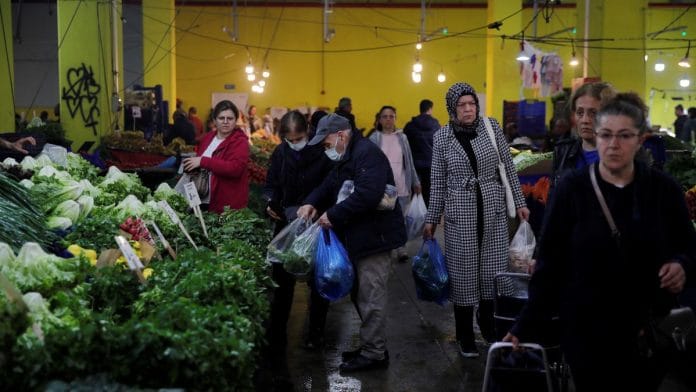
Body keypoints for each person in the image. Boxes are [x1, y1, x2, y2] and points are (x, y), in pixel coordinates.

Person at [504, 93, 696, 391]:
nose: (613, 144)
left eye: (624, 135)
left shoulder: (663, 191)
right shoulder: (572, 189)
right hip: (586, 330)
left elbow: (689, 245)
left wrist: (682, 264)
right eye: (606, 135)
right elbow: (550, 261)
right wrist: (526, 325)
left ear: (641, 139)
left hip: (646, 330)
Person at [422, 82, 529, 358]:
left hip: (492, 211)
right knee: (464, 276)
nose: (468, 109)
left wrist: (520, 203)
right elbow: (437, 181)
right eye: (462, 105)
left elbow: (507, 166)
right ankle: (465, 336)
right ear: (452, 109)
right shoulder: (442, 137)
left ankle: (490, 328)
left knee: (491, 275)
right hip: (460, 214)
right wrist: (431, 217)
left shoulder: (491, 127)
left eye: (471, 104)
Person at [297, 113, 406, 372]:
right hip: (361, 237)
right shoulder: (348, 154)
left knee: (371, 296)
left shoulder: (366, 154)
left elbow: (368, 195)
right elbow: (330, 184)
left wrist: (332, 215)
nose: (326, 150)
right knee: (361, 294)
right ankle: (372, 346)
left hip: (375, 239)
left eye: (326, 144)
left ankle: (375, 354)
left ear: (341, 135)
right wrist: (311, 202)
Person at [263, 110, 334, 353]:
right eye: (290, 140)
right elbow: (271, 183)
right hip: (287, 223)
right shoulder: (280, 153)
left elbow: (330, 184)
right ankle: (278, 333)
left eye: (299, 138)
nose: (295, 144)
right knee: (283, 280)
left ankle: (315, 333)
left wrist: (317, 206)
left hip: (317, 223)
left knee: (318, 280)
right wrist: (270, 202)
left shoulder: (321, 152)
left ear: (308, 132)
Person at [368, 105, 421, 262]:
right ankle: (387, 247)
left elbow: (409, 161)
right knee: (385, 217)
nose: (388, 119)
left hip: (401, 183)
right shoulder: (374, 138)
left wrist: (416, 181)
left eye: (391, 116)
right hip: (384, 187)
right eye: (385, 116)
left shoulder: (402, 138)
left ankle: (401, 248)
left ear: (395, 119)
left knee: (401, 218)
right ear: (379, 119)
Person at [182, 100, 249, 213]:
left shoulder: (240, 142)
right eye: (221, 118)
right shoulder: (208, 138)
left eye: (230, 118)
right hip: (203, 200)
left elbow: (235, 168)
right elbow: (200, 161)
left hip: (227, 206)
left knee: (223, 228)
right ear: (214, 120)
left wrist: (203, 161)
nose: (225, 122)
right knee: (204, 229)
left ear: (235, 120)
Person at [550, 82, 616, 189]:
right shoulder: (563, 151)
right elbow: (553, 200)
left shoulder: (626, 153)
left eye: (593, 113)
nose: (585, 120)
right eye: (580, 113)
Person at [403, 99, 440, 206]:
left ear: (420, 109)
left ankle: (414, 214)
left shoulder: (410, 125)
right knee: (428, 191)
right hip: (430, 163)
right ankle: (427, 215)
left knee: (414, 189)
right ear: (430, 109)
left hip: (414, 163)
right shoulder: (435, 125)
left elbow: (405, 144)